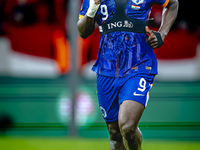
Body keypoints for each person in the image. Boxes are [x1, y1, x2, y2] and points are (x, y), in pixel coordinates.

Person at [77, 0, 178, 150]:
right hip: (107, 69)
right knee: (114, 133)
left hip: (139, 64)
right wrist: (92, 9)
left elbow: (173, 3)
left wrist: (162, 34)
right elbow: (83, 32)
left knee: (127, 126)